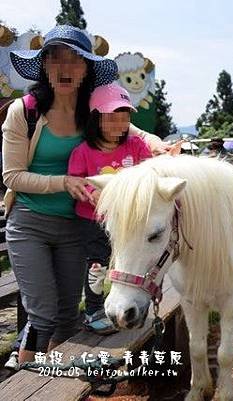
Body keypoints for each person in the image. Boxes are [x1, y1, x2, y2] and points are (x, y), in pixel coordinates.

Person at [1, 25, 167, 364]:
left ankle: (50, 379)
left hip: (77, 226)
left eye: (75, 61)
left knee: (65, 315)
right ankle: (22, 373)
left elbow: (131, 129)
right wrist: (64, 182)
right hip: (29, 223)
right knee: (43, 313)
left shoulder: (93, 109)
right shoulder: (25, 112)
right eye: (56, 59)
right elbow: (11, 176)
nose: (65, 68)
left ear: (87, 69)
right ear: (43, 65)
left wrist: (157, 144)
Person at [67, 83, 152, 334]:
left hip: (128, 223)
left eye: (125, 118)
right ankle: (93, 311)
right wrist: (94, 194)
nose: (120, 124)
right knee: (97, 265)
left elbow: (149, 171)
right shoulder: (83, 151)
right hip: (93, 221)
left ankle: (132, 303)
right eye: (112, 118)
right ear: (96, 120)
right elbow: (77, 181)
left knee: (127, 262)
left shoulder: (136, 146)